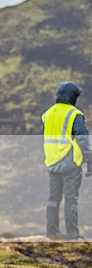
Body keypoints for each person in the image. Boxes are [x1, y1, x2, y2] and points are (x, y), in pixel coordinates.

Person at [42, 82, 92, 239]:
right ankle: (73, 235)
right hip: (70, 164)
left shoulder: (47, 114)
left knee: (53, 200)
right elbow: (82, 139)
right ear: (71, 97)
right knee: (71, 200)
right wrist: (89, 158)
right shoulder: (74, 114)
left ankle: (52, 233)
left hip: (52, 162)